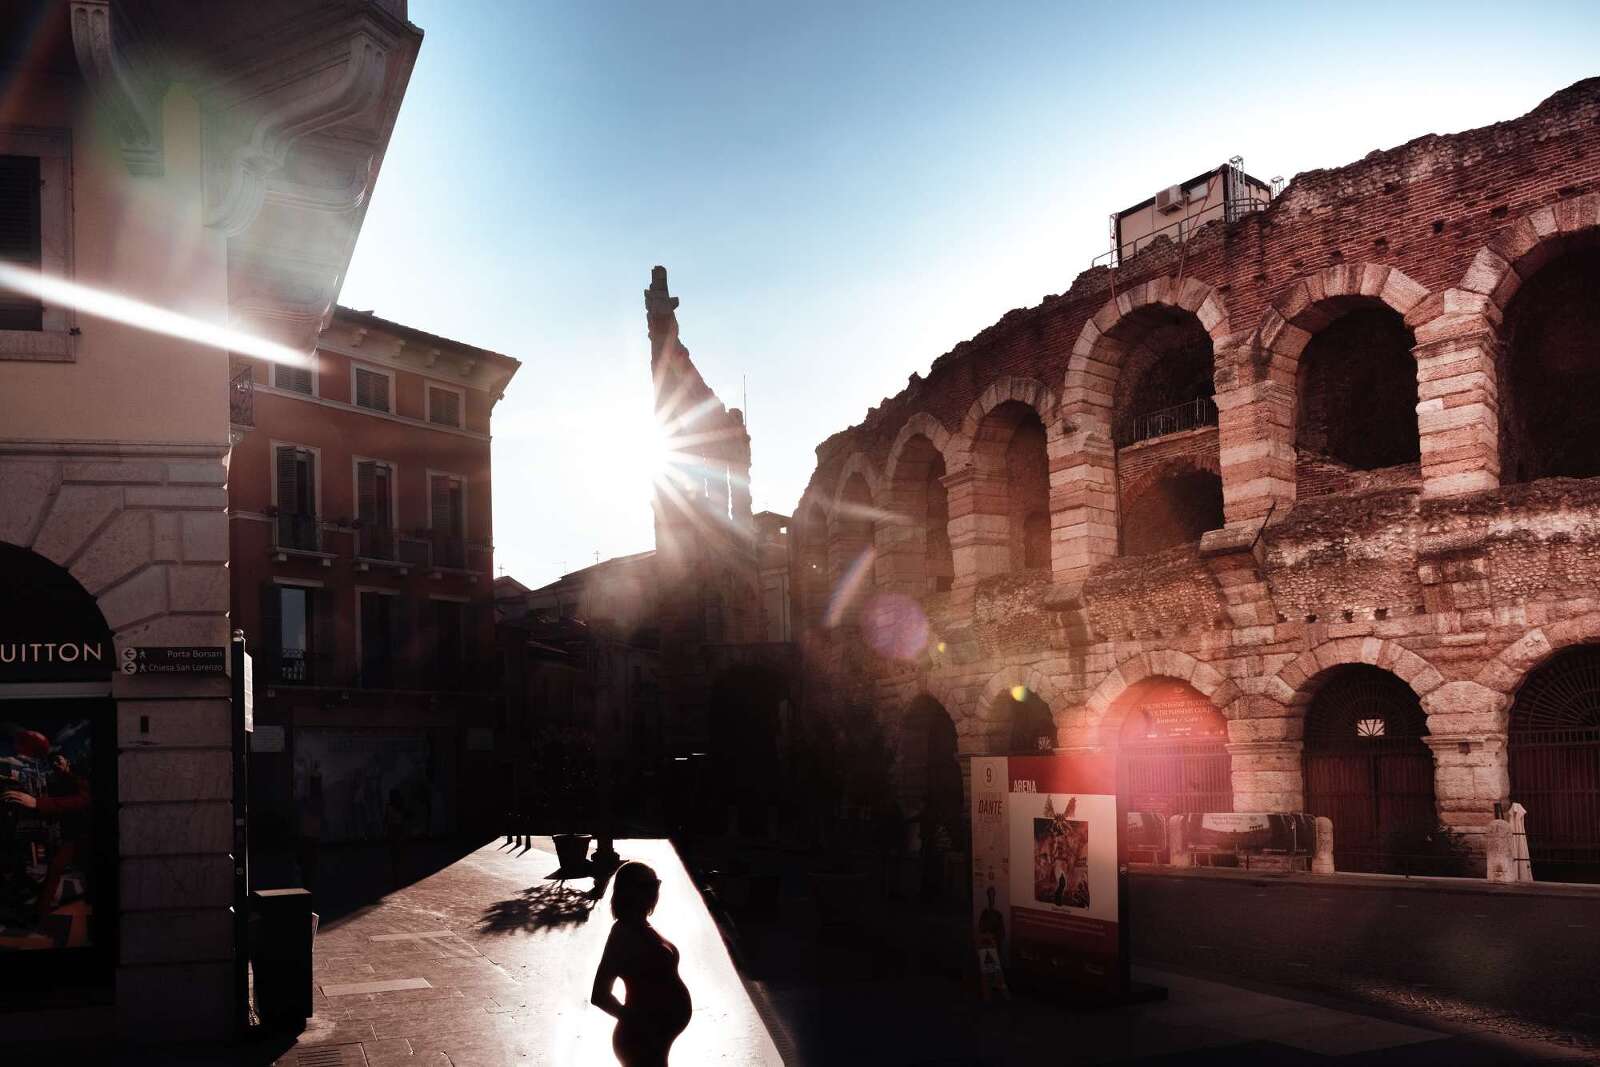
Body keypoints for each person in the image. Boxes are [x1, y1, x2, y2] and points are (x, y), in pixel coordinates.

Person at [591, 861, 692, 1066]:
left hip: (656, 1040)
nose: (653, 891)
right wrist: (638, 1023)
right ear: (627, 891)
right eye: (645, 886)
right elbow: (599, 995)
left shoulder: (644, 925)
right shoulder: (623, 932)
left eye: (656, 884)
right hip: (640, 1042)